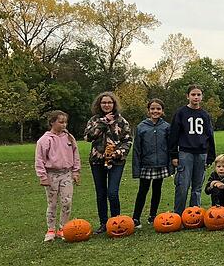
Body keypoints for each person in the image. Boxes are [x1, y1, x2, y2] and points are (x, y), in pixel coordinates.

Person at [84, 92, 132, 234]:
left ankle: (116, 221)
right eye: (104, 103)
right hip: (97, 161)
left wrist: (119, 152)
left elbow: (128, 140)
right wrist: (103, 122)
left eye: (109, 102)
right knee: (101, 193)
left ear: (114, 104)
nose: (106, 105)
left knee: (112, 192)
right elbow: (88, 137)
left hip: (116, 161)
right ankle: (103, 222)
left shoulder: (122, 121)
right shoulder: (94, 120)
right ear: (99, 104)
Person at [169, 84, 217, 214]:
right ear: (187, 96)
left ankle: (194, 214)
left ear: (202, 97)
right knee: (183, 186)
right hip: (185, 153)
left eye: (198, 95)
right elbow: (174, 135)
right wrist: (174, 155)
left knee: (197, 187)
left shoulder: (204, 115)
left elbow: (210, 136)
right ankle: (178, 214)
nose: (196, 97)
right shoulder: (181, 113)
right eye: (193, 94)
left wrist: (211, 156)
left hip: (201, 154)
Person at [35, 111, 81, 242]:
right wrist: (42, 176)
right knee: (52, 203)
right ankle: (51, 230)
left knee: (67, 201)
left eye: (65, 122)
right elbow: (39, 160)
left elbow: (75, 154)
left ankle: (63, 228)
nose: (64, 125)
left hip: (66, 174)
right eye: (61, 122)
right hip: (51, 175)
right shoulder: (44, 140)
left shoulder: (69, 138)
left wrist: (76, 172)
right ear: (52, 122)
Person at [131, 98, 173, 228]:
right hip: (146, 164)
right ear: (148, 110)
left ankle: (152, 215)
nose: (155, 111)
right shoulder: (141, 127)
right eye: (153, 109)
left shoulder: (166, 127)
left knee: (157, 190)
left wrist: (170, 165)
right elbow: (137, 149)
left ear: (162, 111)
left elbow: (171, 147)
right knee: (142, 190)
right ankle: (136, 217)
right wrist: (136, 169)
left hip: (161, 163)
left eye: (158, 109)